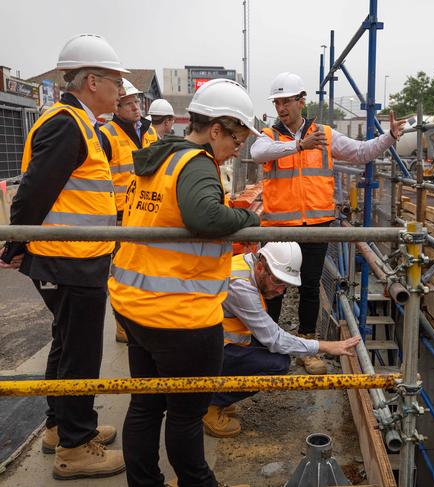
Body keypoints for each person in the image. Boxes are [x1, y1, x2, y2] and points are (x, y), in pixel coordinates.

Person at [108, 78, 259, 487]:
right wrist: (248, 219)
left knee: (146, 406)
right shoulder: (196, 163)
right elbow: (205, 218)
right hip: (180, 316)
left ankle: (145, 483)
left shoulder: (159, 158)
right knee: (186, 415)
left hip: (136, 307)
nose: (239, 146)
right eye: (238, 136)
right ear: (216, 129)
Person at [0, 33, 127, 480]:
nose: (120, 89)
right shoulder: (66, 124)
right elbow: (35, 190)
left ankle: (60, 426)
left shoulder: (81, 123)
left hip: (77, 257)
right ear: (91, 80)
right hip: (67, 258)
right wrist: (16, 242)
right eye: (115, 80)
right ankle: (75, 446)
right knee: (79, 352)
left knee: (68, 344)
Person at [250, 72, 405, 375]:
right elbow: (258, 154)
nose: (281, 107)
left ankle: (307, 344)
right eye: (277, 102)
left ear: (301, 101)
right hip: (279, 228)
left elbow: (360, 153)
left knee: (309, 286)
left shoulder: (325, 134)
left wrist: (390, 137)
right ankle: (265, 346)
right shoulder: (269, 136)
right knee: (271, 287)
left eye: (287, 101)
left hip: (317, 225)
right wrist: (298, 146)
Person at [202, 242, 361, 437]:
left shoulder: (246, 267)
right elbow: (274, 339)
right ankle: (209, 402)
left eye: (285, 284)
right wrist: (325, 346)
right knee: (276, 365)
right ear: (261, 267)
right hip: (204, 350)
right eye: (278, 281)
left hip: (212, 343)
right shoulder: (240, 286)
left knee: (275, 354)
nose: (280, 290)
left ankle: (218, 395)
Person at [100, 78, 158, 224]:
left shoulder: (150, 132)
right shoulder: (106, 135)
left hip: (146, 208)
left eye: (136, 102)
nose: (135, 107)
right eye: (128, 104)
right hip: (119, 214)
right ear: (117, 109)